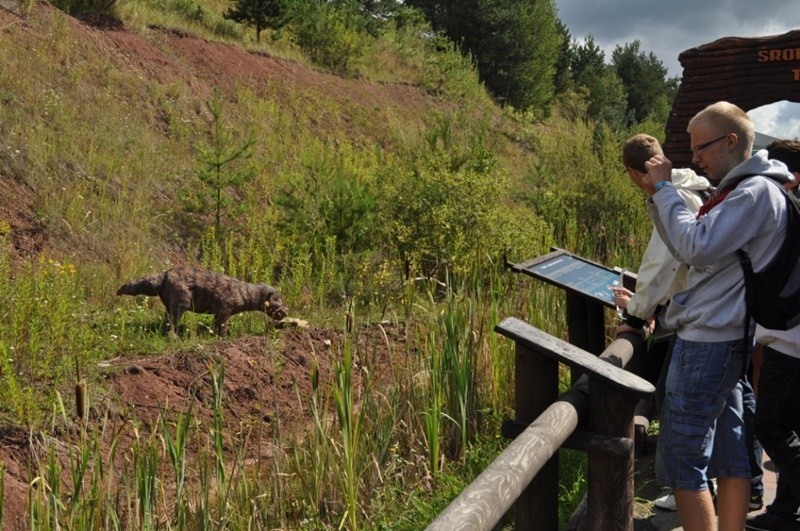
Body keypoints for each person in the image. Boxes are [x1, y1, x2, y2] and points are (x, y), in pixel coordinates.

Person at [642, 101, 793, 531]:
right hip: (724, 337)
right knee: (729, 452)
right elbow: (690, 249)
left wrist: (666, 189)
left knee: (683, 459)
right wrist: (659, 196)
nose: (695, 157)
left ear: (731, 141)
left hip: (710, 340)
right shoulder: (748, 189)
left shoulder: (753, 192)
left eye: (701, 147)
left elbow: (696, 248)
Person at [612, 134, 764, 514]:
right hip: (730, 327)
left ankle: (699, 497)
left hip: (706, 327)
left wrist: (635, 315)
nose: (697, 158)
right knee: (730, 425)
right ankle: (747, 496)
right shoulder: (700, 190)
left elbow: (664, 265)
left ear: (635, 171)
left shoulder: (674, 197)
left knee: (682, 445)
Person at [746, 139, 800, 531]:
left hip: (791, 339)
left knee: (772, 425)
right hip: (789, 335)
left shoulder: (789, 210)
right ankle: (784, 513)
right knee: (790, 426)